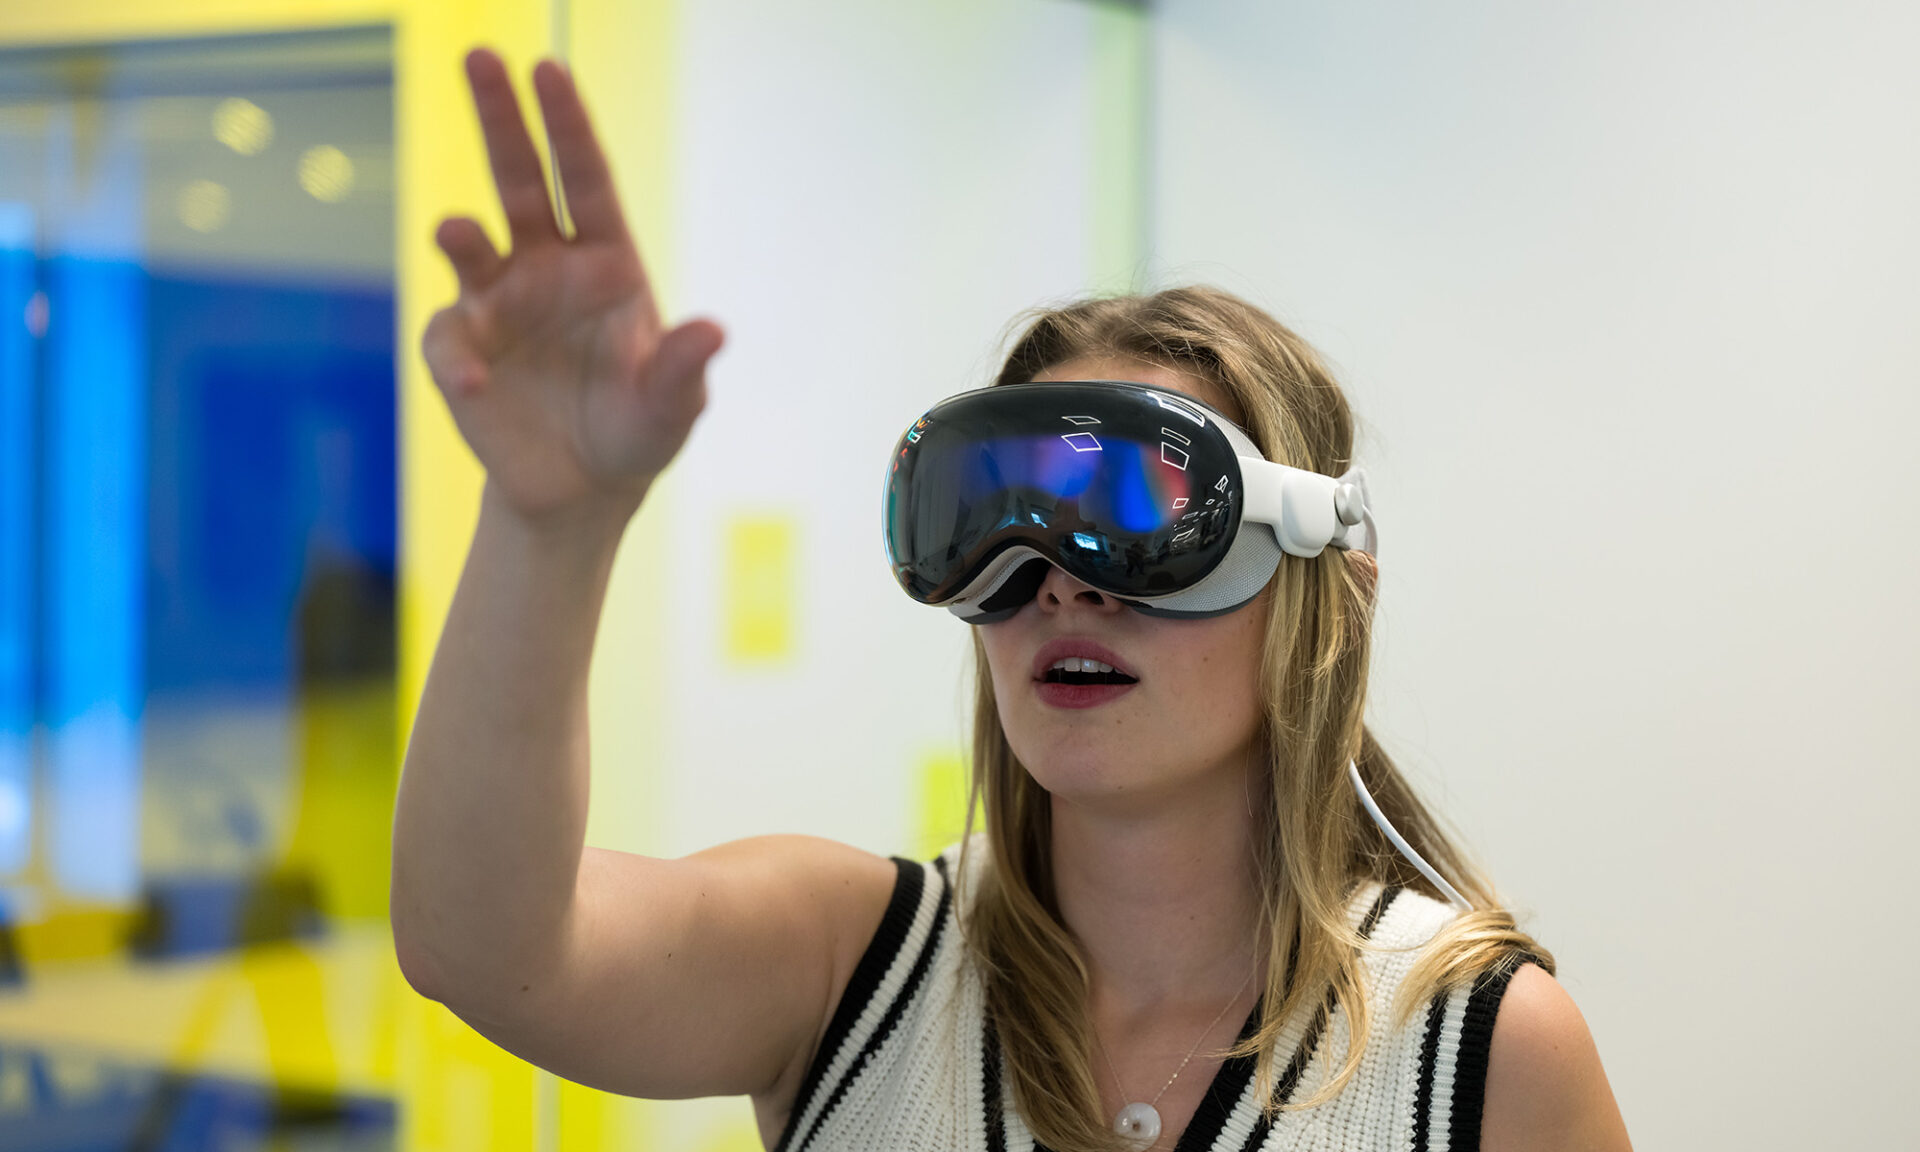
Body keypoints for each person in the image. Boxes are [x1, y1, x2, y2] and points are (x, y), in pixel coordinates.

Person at [390, 47, 1633, 1152]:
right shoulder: (848, 967)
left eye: (1138, 517)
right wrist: (549, 527)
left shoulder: (1481, 1053)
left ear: (1325, 583)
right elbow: (486, 951)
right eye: (993, 520)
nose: (1054, 584)